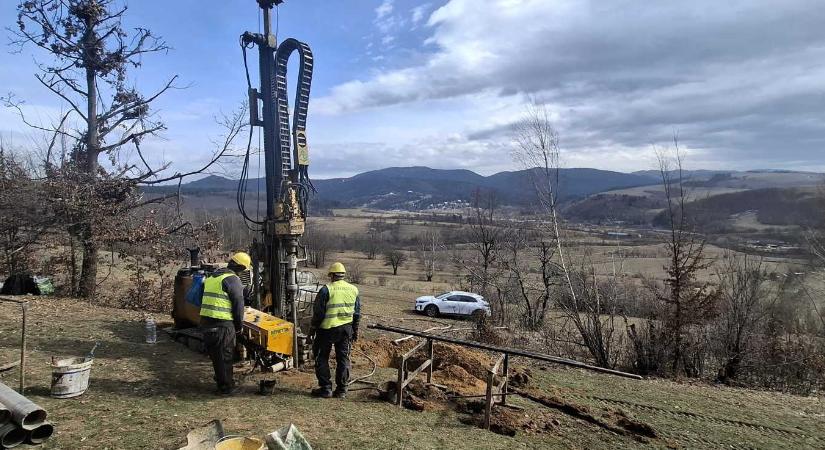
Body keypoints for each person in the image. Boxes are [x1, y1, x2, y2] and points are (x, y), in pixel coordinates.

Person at [200, 251, 250, 396]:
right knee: (225, 356)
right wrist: (239, 326)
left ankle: (222, 380)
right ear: (240, 268)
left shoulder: (212, 277)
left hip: (206, 322)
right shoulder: (233, 280)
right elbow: (238, 305)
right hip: (222, 323)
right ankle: (226, 387)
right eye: (243, 270)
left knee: (217, 356)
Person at [310, 262, 361, 399]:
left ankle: (326, 388)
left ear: (332, 275)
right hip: (346, 330)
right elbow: (356, 313)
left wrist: (312, 329)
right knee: (343, 359)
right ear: (343, 275)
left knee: (321, 357)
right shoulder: (353, 289)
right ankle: (342, 390)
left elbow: (318, 314)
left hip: (327, 330)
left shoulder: (326, 290)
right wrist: (355, 331)